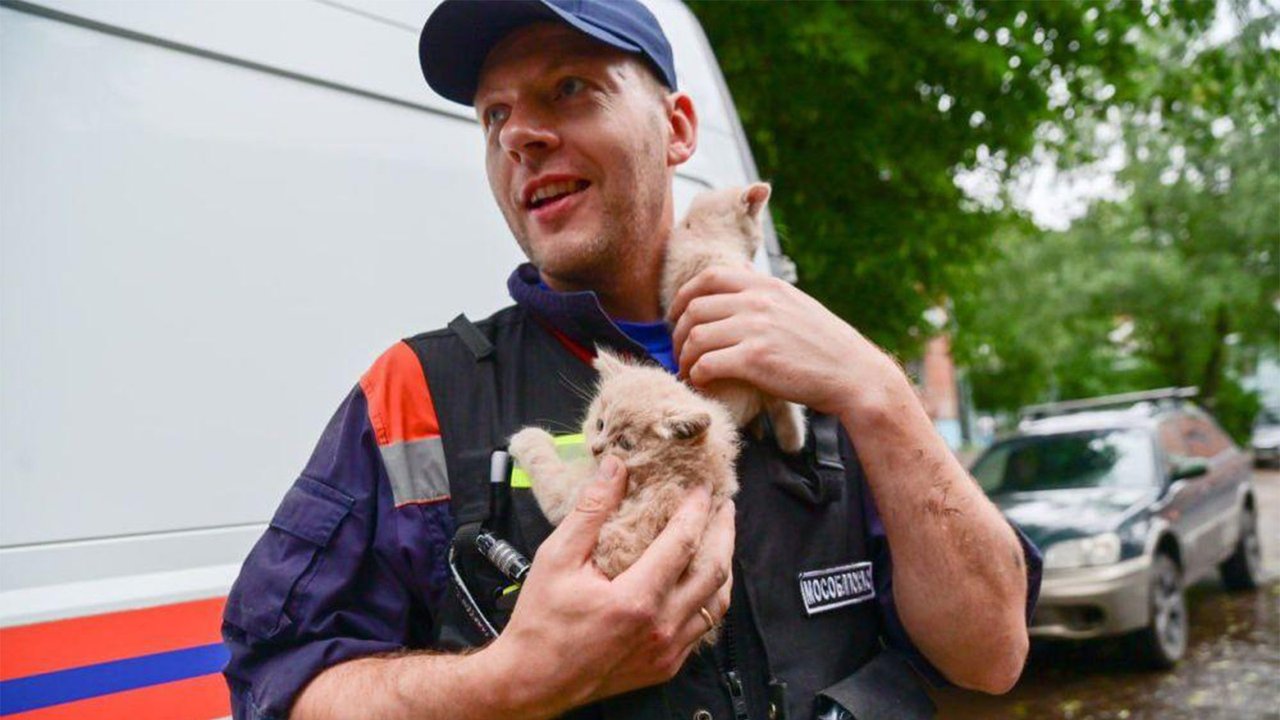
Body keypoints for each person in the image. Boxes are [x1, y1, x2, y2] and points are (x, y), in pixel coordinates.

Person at [221, 1, 1042, 718]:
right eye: (494, 115)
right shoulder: (417, 393)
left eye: (570, 89)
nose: (522, 137)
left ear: (678, 127)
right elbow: (275, 686)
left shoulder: (827, 369)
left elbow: (991, 656)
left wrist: (879, 394)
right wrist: (508, 684)